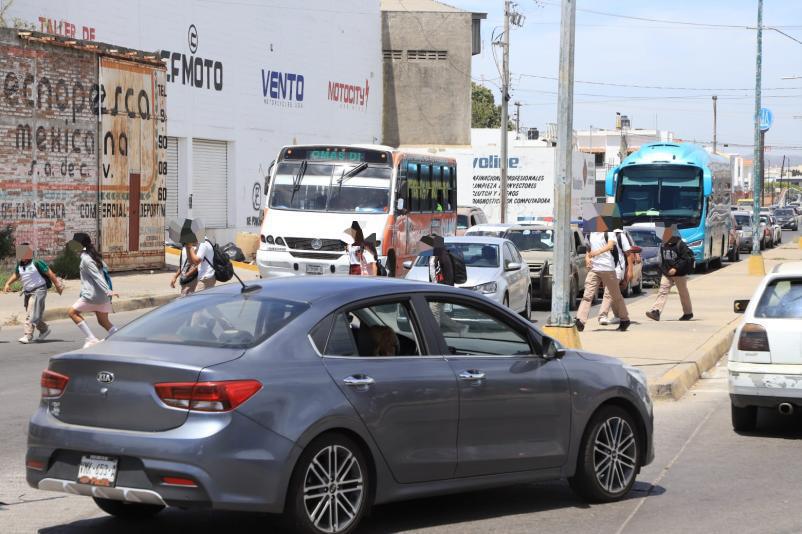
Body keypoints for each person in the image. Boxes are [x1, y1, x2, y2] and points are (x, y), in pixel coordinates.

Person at [575, 223, 630, 332]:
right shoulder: (590, 234)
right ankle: (580, 321)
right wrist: (587, 259)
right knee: (587, 295)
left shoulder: (609, 232)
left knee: (615, 295)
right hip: (594, 268)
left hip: (608, 268)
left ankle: (624, 319)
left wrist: (597, 252)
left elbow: (610, 246)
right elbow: (588, 250)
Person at [3, 244, 63, 343]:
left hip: (39, 290)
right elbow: (16, 274)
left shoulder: (37, 262)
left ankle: (28, 335)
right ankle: (44, 329)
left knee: (30, 313)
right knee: (34, 314)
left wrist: (57, 285)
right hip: (27, 292)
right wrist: (7, 283)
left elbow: (50, 273)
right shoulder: (20, 265)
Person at [67, 233, 117, 348]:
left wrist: (108, 290)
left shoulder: (86, 259)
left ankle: (91, 338)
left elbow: (97, 276)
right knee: (103, 322)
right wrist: (108, 292)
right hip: (103, 297)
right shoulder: (94, 256)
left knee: (72, 312)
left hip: (93, 295)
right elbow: (103, 272)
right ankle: (120, 337)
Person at [646, 225, 694, 321]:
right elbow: (663, 260)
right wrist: (664, 270)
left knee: (683, 293)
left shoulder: (680, 244)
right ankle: (656, 311)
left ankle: (688, 313)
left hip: (679, 273)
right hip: (667, 273)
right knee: (662, 291)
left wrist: (675, 268)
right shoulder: (664, 245)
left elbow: (685, 259)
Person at [598, 228, 635, 326]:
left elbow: (628, 254)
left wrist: (630, 271)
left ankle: (602, 315)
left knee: (609, 291)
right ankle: (620, 315)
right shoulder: (601, 235)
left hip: (618, 268)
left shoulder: (620, 235)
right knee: (615, 292)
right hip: (606, 267)